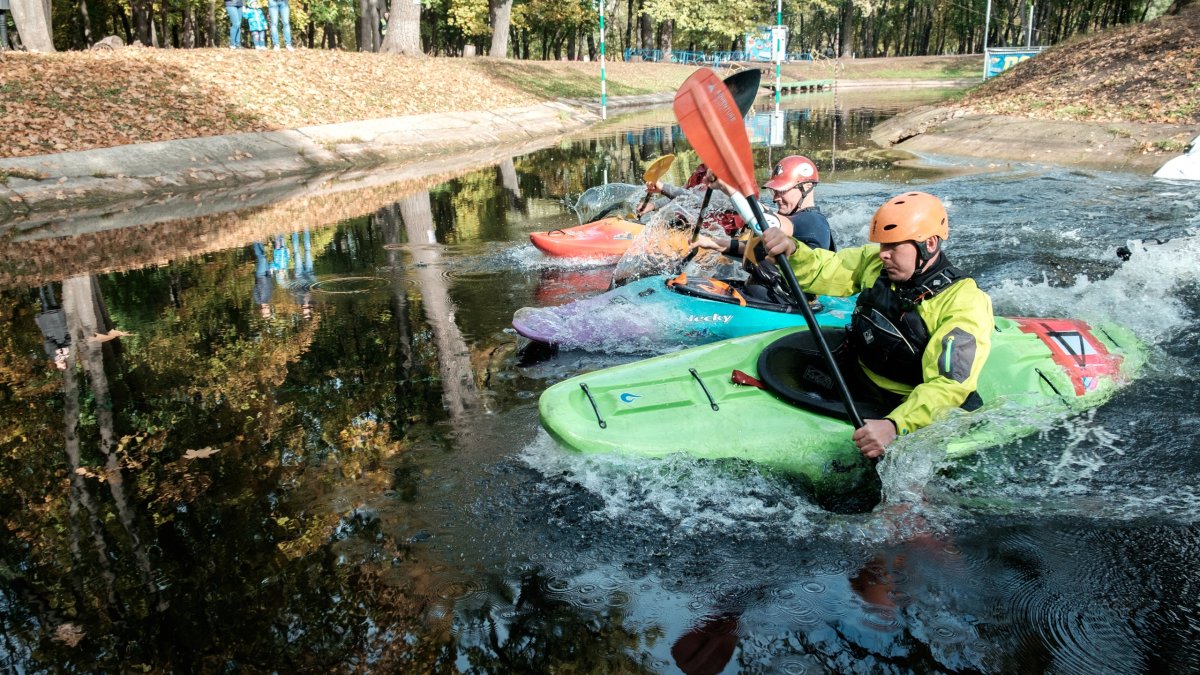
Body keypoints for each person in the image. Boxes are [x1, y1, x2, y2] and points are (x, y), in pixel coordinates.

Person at [761, 191, 994, 458]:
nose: (883, 254)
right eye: (883, 245)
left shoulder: (964, 303)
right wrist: (793, 251)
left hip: (906, 403)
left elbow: (948, 385)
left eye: (894, 246)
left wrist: (895, 426)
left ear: (929, 244)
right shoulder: (876, 263)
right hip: (863, 377)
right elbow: (824, 268)